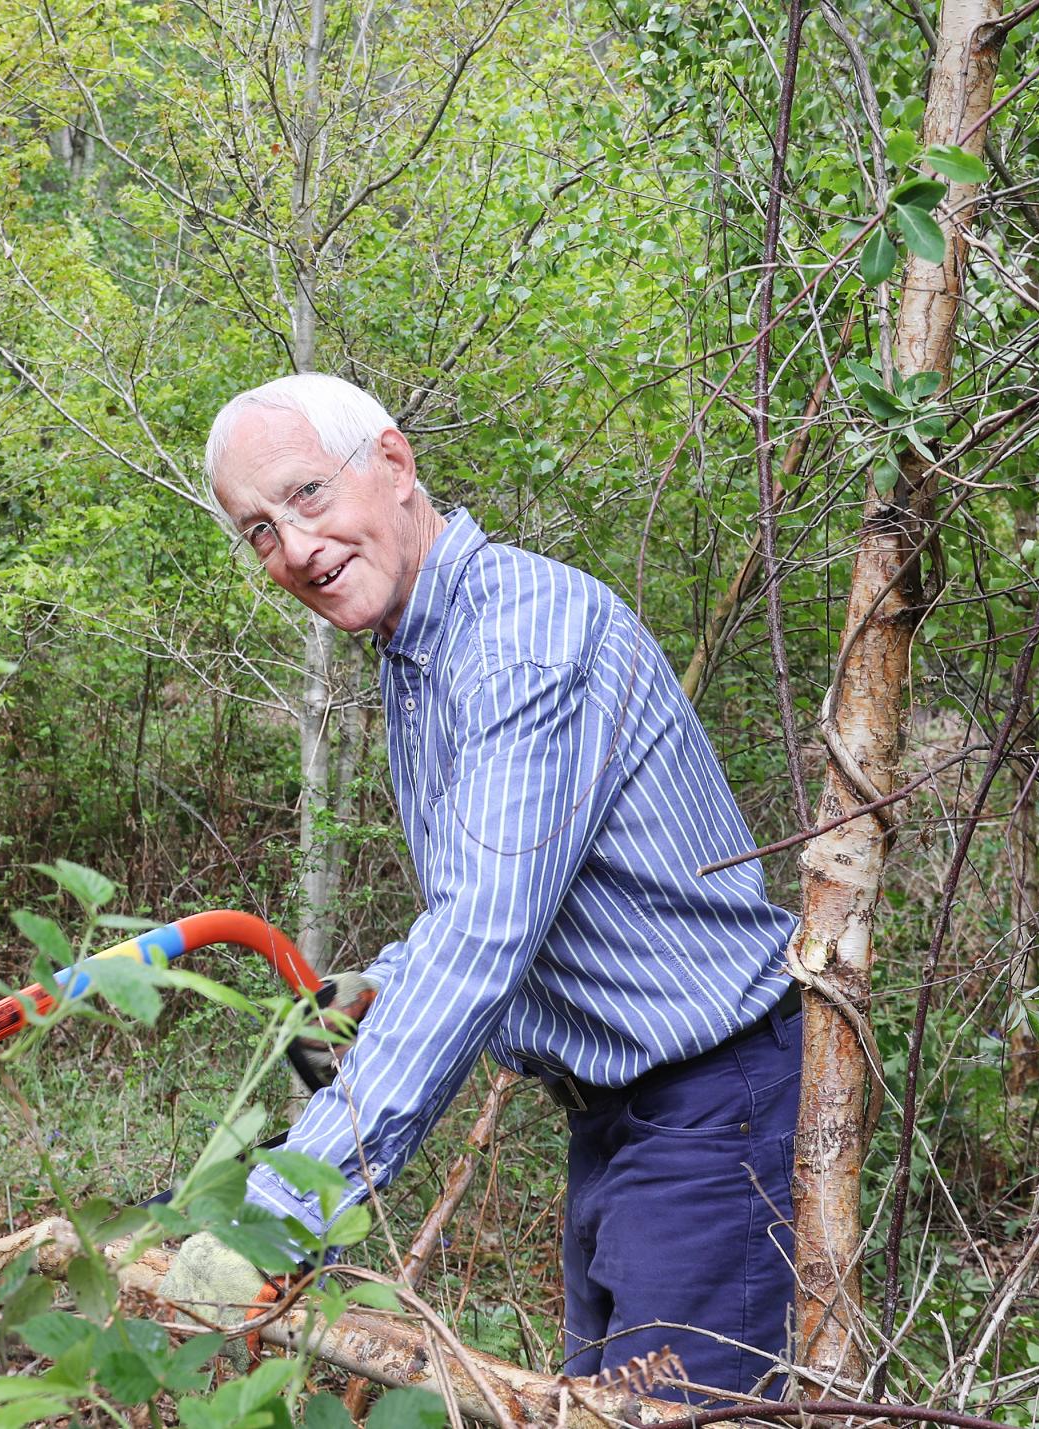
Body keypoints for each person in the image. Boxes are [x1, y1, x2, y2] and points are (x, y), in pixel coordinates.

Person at [159, 373, 802, 1397]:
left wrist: (281, 1213)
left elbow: (481, 937)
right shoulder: (417, 644)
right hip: (612, 1113)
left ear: (395, 463)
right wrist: (376, 987)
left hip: (702, 1105)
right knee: (594, 1406)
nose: (294, 547)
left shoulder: (515, 638)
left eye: (307, 495)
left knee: (665, 1411)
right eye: (258, 532)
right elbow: (496, 886)